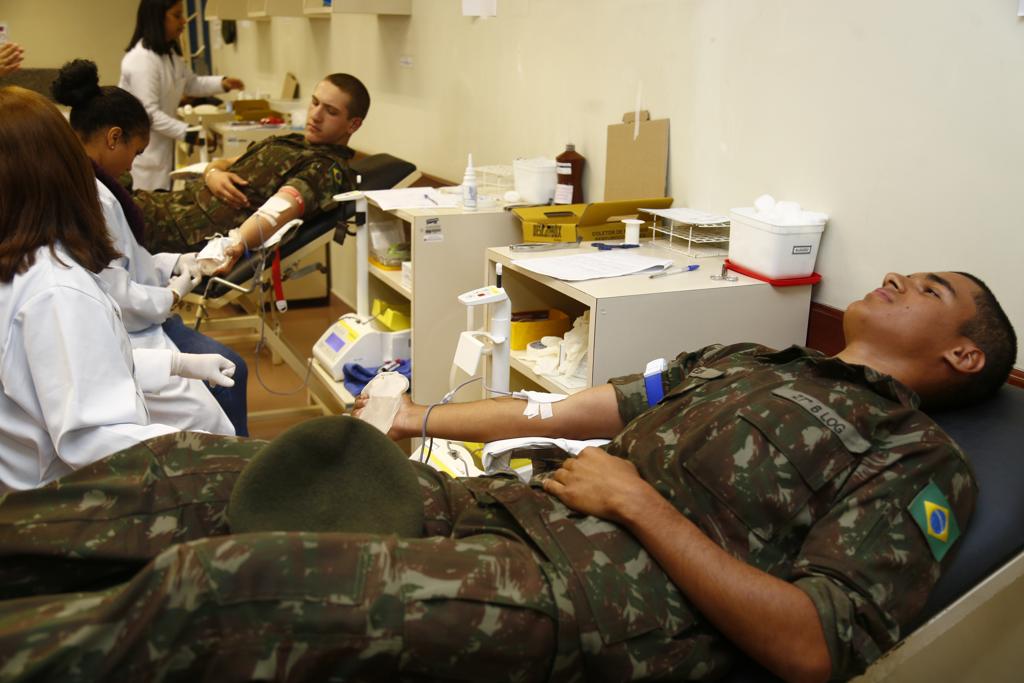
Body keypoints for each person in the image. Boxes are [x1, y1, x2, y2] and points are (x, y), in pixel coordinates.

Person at [0, 270, 1016, 682]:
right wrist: (413, 422)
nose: (894, 278)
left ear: (965, 356)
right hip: (516, 501)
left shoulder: (916, 460)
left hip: (605, 600)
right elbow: (572, 408)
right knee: (188, 475)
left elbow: (812, 642)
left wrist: (634, 499)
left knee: (220, 588)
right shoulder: (755, 357)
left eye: (929, 288)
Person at [0, 86, 239, 493]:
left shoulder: (25, 263)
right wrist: (209, 457)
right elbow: (90, 438)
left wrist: (174, 366)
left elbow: (63, 371)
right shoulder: (57, 290)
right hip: (57, 506)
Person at [51, 59, 248, 437]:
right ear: (113, 138)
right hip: (131, 328)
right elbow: (117, 290)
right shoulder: (94, 199)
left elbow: (126, 261)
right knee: (209, 416)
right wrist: (173, 294)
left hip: (137, 317)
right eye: (136, 151)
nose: (133, 163)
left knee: (225, 379)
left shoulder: (94, 186)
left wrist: (179, 260)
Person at [132, 72, 367, 260]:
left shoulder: (325, 168)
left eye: (331, 111)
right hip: (172, 206)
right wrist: (212, 173)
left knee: (104, 207)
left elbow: (277, 210)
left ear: (353, 125)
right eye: (314, 103)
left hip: (186, 231)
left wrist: (234, 247)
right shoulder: (291, 142)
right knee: (106, 193)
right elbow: (225, 163)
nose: (315, 115)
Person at [119, 0, 244, 191]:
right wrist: (189, 133)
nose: (184, 21)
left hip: (159, 150)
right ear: (157, 18)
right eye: (177, 15)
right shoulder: (141, 60)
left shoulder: (169, 55)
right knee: (145, 208)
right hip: (141, 155)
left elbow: (190, 84)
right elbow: (149, 114)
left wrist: (222, 83)